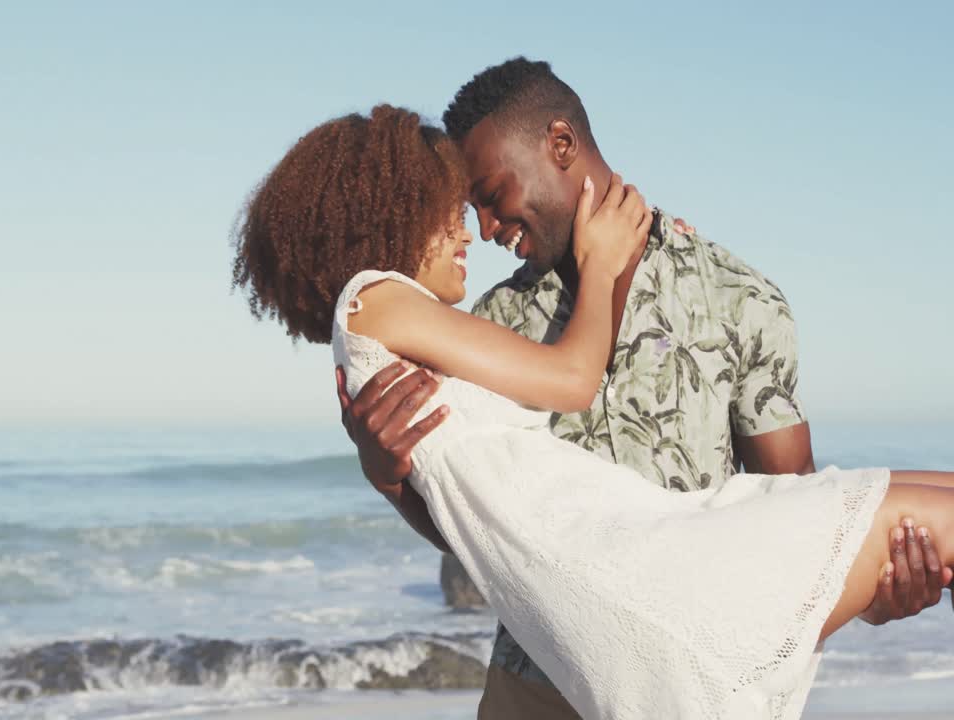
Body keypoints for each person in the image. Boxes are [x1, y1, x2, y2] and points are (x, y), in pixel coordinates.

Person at [231, 103, 954, 719]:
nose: (480, 229)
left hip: (689, 600)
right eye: (460, 206)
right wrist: (385, 475)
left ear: (561, 146)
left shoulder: (738, 298)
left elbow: (796, 492)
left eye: (486, 195)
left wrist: (876, 591)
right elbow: (486, 533)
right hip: (537, 679)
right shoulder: (480, 317)